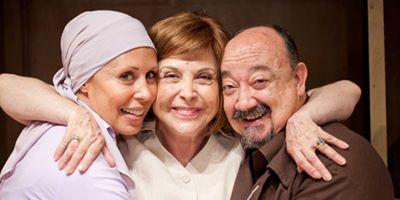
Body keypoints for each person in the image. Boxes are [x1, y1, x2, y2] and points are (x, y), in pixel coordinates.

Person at [0, 12, 360, 199]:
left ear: (222, 88)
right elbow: (6, 86)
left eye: (205, 78)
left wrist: (305, 115)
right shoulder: (116, 147)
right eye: (170, 76)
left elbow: (349, 90)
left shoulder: (246, 148)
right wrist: (74, 113)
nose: (187, 93)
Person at [221, 25, 394, 199]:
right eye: (229, 86)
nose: (243, 103)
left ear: (298, 79)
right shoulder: (247, 152)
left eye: (259, 81)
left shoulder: (326, 167)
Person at [0, 10, 158, 199]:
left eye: (151, 75)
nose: (147, 93)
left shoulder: (58, 117)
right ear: (83, 81)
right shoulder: (84, 162)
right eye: (126, 76)